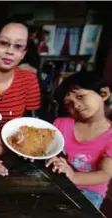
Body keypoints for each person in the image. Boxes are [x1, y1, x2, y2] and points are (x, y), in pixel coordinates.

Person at [46, 72, 112, 209]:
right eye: (69, 103)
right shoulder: (61, 124)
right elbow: (48, 151)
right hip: (56, 182)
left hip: (89, 191)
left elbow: (105, 173)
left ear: (103, 94)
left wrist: (73, 176)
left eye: (80, 97)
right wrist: (52, 158)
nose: (76, 105)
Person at [0, 19, 41, 127]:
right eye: (4, 43)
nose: (10, 51)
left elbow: (33, 123)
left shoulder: (29, 80)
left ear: (24, 53)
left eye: (18, 46)